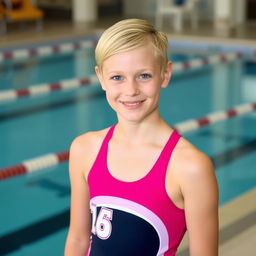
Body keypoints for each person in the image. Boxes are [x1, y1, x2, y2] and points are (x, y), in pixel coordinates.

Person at [64, 18, 219, 256]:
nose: (131, 90)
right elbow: (77, 239)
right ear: (101, 78)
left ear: (165, 74)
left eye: (144, 76)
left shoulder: (190, 167)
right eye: (117, 77)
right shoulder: (84, 149)